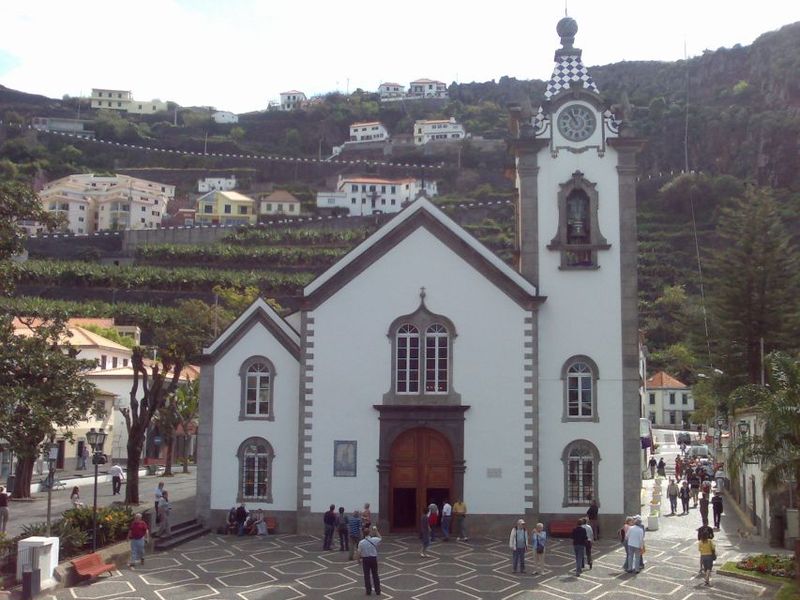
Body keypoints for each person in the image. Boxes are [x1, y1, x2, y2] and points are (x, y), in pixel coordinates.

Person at [358, 525, 382, 596]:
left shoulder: (361, 542)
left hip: (365, 559)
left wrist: (358, 560)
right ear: (369, 533)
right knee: (375, 574)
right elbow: (380, 538)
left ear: (363, 534)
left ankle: (368, 591)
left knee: (367, 575)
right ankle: (378, 590)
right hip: (373, 558)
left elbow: (359, 552)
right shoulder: (374, 539)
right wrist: (376, 530)